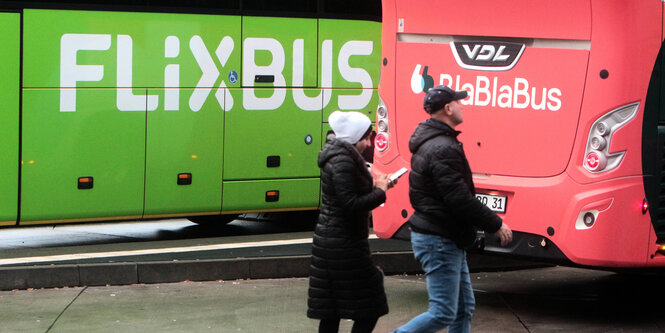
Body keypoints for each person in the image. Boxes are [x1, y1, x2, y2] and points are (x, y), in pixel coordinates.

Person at [394, 85, 513, 333]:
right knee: (444, 312)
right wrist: (495, 223)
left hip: (446, 235)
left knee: (463, 308)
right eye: (458, 102)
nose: (462, 105)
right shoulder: (442, 148)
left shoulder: (436, 142)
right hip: (439, 239)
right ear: (448, 108)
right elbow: (458, 198)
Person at [308, 110, 395, 333]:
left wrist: (379, 186)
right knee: (371, 303)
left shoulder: (339, 158)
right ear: (355, 138)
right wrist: (380, 191)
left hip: (331, 241)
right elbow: (352, 204)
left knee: (332, 309)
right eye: (366, 138)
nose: (368, 143)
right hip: (344, 244)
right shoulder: (343, 162)